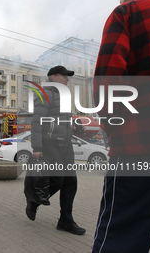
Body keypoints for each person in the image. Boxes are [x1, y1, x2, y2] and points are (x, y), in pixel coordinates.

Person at [92, 0, 150, 252]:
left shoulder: (130, 12)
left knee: (120, 240)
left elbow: (108, 82)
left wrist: (112, 126)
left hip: (141, 151)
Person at [26, 65, 86, 235]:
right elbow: (37, 121)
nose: (67, 79)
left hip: (65, 145)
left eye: (68, 76)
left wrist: (75, 128)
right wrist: (37, 147)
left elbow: (62, 122)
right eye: (64, 76)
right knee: (57, 180)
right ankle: (34, 201)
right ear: (54, 77)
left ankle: (65, 221)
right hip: (50, 144)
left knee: (70, 183)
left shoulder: (64, 96)